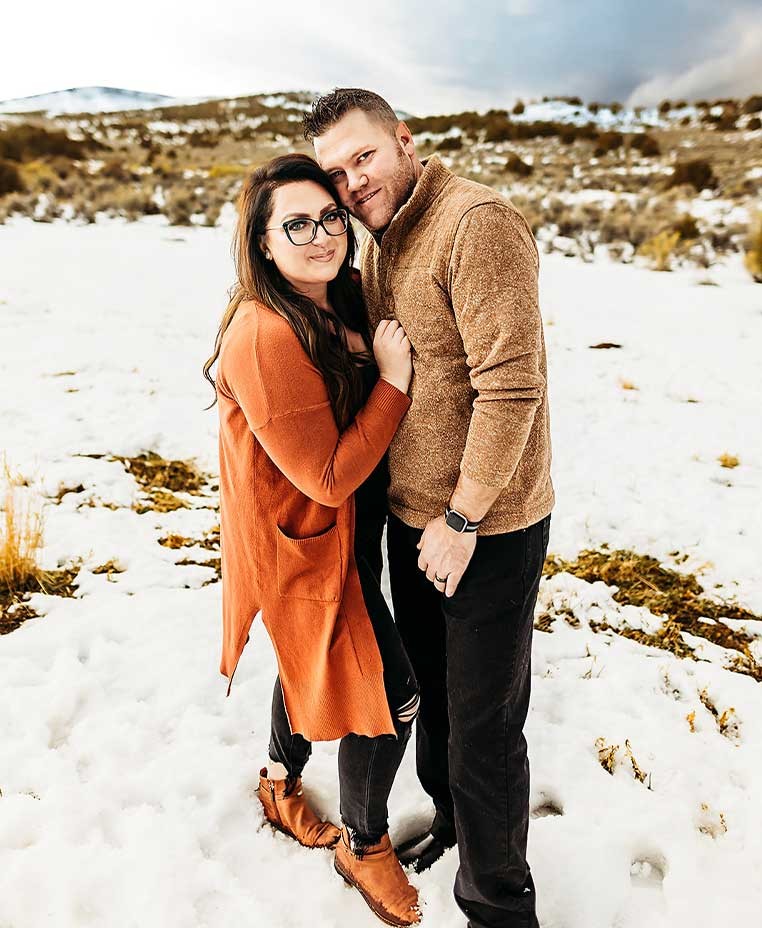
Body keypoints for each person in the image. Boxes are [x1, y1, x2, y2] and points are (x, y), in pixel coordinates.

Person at [306, 89, 555, 928]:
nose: (352, 181)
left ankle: (497, 904)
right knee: (444, 708)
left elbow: (511, 387)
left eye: (363, 156)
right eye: (336, 172)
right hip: (417, 524)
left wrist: (463, 520)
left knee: (485, 732)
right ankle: (452, 825)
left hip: (488, 528)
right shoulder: (379, 242)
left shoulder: (475, 224)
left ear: (403, 140)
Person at [203, 153, 422, 928]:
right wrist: (390, 377)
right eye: (295, 223)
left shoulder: (337, 300)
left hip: (343, 532)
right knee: (390, 697)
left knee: (312, 660)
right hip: (302, 537)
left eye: (329, 215)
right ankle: (364, 844)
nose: (322, 232)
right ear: (262, 242)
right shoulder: (264, 333)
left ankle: (274, 778)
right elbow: (326, 476)